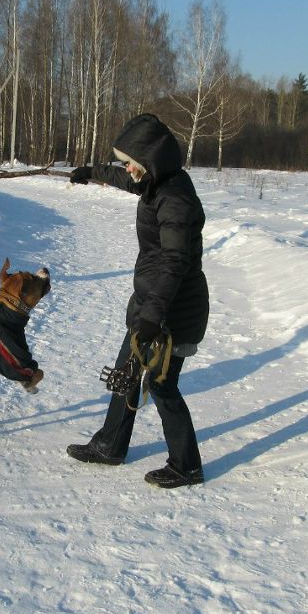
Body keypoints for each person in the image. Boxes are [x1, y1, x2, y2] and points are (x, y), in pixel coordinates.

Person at [66, 113, 209, 489]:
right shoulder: (156, 182)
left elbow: (174, 262)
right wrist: (91, 171)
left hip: (173, 310)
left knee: (161, 385)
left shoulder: (174, 197)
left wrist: (153, 317)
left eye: (130, 162)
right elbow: (124, 179)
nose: (126, 169)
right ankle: (111, 444)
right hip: (154, 304)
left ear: (150, 161)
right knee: (126, 372)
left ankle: (187, 466)